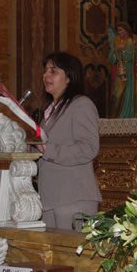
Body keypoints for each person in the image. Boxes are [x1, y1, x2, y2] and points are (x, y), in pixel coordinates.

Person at [36, 52, 101, 229]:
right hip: (49, 199)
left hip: (73, 198)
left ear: (69, 78)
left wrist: (48, 149)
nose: (46, 75)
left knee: (70, 256)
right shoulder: (50, 112)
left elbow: (88, 148)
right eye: (45, 70)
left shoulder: (81, 105)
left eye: (53, 71)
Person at [109, 22, 137, 118]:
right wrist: (116, 49)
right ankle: (118, 116)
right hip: (120, 72)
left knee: (129, 93)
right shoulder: (116, 42)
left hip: (131, 72)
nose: (118, 32)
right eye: (118, 30)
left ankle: (129, 115)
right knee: (118, 94)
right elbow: (111, 59)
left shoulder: (133, 42)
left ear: (126, 31)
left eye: (120, 30)